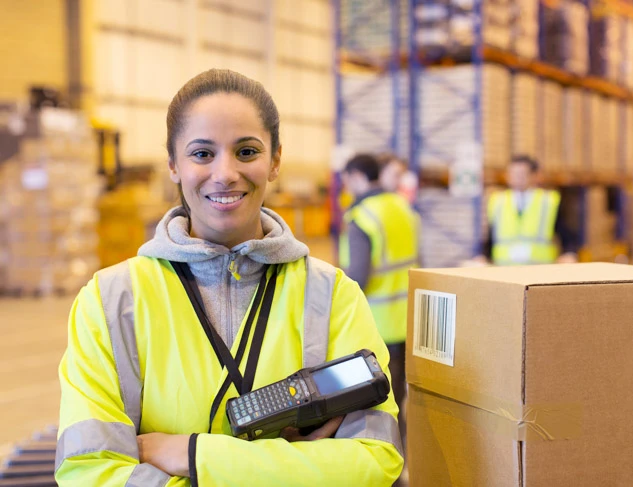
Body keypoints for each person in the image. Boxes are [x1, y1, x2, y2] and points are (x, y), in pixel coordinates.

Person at [55, 69, 403, 486]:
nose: (225, 173)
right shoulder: (110, 300)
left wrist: (192, 454)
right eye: (202, 154)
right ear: (173, 165)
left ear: (275, 160)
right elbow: (89, 471)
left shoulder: (333, 296)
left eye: (246, 151)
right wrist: (295, 466)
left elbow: (375, 462)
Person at [338, 154, 419, 446]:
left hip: (377, 326)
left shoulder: (362, 217)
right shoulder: (402, 206)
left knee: (381, 409)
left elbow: (357, 277)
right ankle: (408, 460)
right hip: (409, 318)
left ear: (358, 177)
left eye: (347, 181)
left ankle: (390, 472)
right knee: (403, 400)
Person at [476, 155, 579, 266]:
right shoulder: (498, 201)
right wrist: (484, 256)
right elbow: (492, 237)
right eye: (513, 174)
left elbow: (566, 234)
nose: (517, 178)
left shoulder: (548, 202)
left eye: (522, 174)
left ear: (534, 176)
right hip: (504, 269)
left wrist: (569, 253)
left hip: (538, 269)